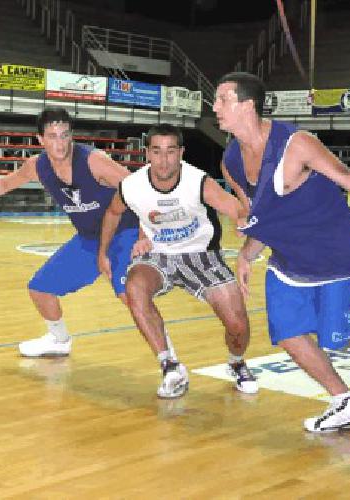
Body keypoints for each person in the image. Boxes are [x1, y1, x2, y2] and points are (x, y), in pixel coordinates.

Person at [213, 72, 350, 433]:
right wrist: (246, 254)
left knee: (337, 339)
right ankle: (344, 401)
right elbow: (261, 214)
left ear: (248, 105)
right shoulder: (231, 161)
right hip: (289, 261)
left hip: (335, 254)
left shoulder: (296, 143)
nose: (215, 107)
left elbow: (349, 179)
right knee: (288, 333)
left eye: (223, 99)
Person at [0, 108, 173, 358]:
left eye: (65, 135)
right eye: (53, 136)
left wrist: (144, 236)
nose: (60, 143)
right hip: (89, 239)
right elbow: (1, 185)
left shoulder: (93, 161)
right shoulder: (37, 166)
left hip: (124, 231)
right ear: (40, 140)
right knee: (40, 289)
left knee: (129, 295)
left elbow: (140, 191)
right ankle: (59, 340)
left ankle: (168, 357)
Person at [97, 124, 257, 398]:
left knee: (238, 326)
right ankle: (170, 366)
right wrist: (103, 252)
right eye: (157, 151)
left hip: (203, 256)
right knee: (134, 286)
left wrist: (243, 221)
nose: (164, 159)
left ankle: (236, 362)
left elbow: (236, 209)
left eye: (171, 151)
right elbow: (112, 213)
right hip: (158, 255)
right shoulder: (131, 186)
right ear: (147, 153)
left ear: (181, 153)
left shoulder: (199, 182)